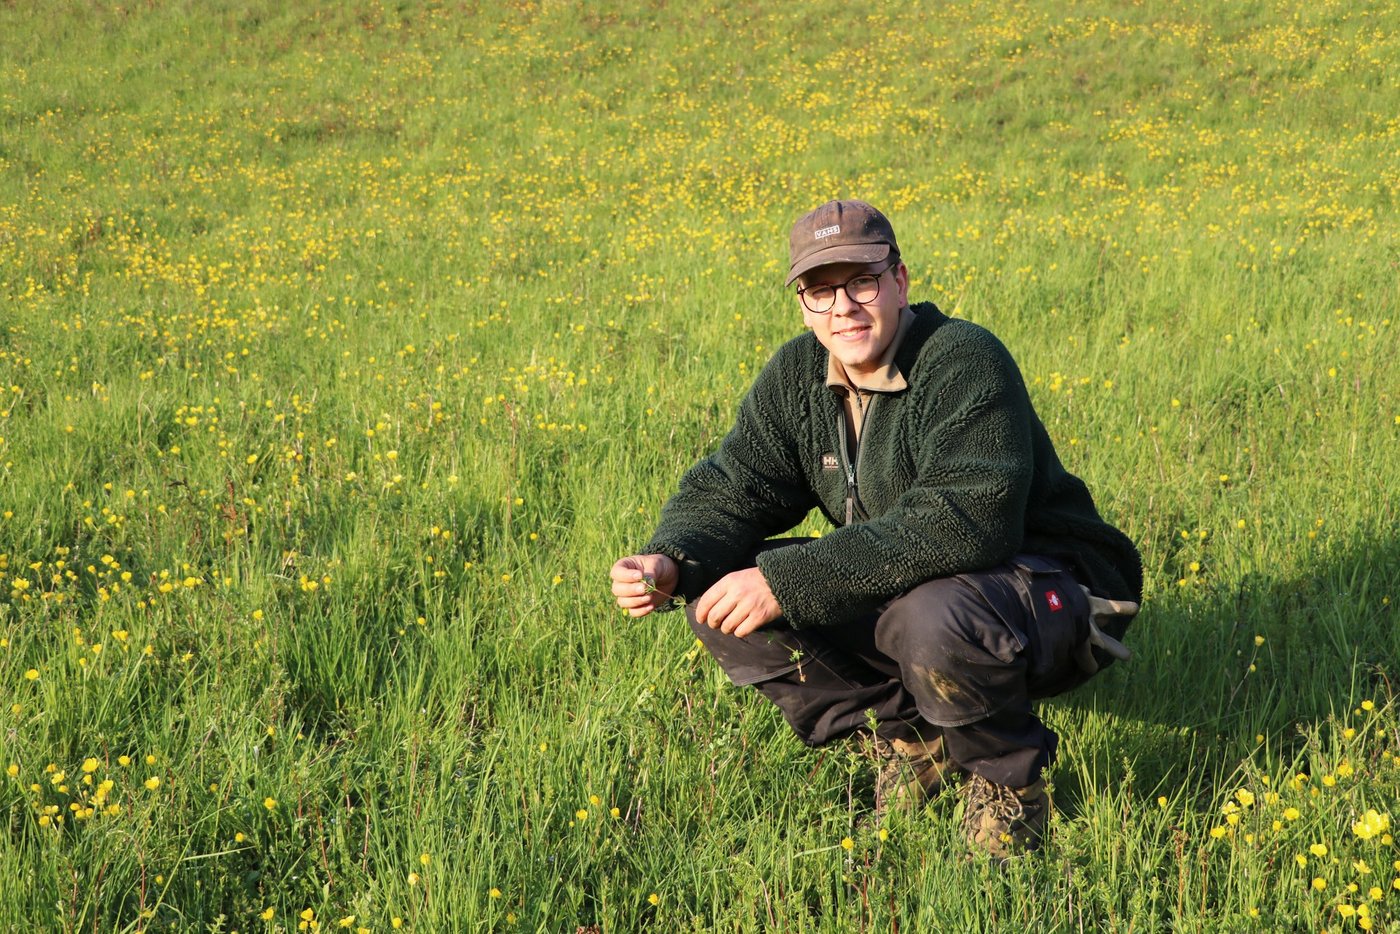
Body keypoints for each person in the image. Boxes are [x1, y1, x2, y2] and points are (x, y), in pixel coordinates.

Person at [609, 199, 1142, 857]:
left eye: (862, 281)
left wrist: (788, 580)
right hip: (926, 585)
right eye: (820, 290)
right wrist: (670, 558)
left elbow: (968, 519)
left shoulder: (961, 359)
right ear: (803, 305)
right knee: (721, 601)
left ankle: (1006, 785)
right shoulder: (798, 375)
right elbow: (734, 486)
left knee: (932, 615)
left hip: (1051, 589)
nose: (844, 307)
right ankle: (915, 741)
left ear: (900, 281)